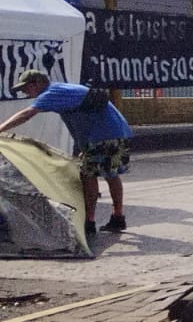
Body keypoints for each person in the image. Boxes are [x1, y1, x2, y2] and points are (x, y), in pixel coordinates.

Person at [0, 70, 133, 237]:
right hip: (118, 131)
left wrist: (1, 129)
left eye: (26, 88)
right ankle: (118, 217)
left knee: (87, 175)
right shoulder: (63, 89)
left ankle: (89, 222)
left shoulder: (51, 93)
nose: (25, 92)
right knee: (111, 175)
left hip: (102, 136)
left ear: (37, 84)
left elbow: (26, 115)